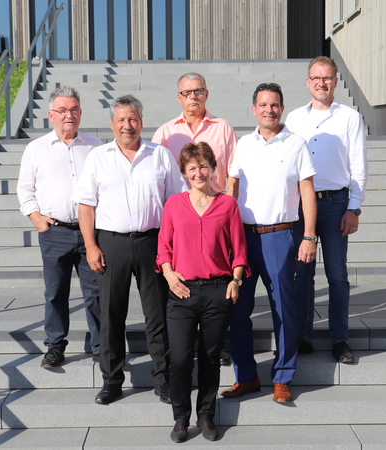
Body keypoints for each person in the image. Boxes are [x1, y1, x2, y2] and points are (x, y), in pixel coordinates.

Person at [74, 95, 186, 405]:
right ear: (112, 124)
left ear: (141, 121)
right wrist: (91, 246)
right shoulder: (98, 157)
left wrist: (173, 248)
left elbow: (177, 204)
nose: (128, 125)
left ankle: (162, 379)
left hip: (153, 242)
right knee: (111, 314)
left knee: (158, 315)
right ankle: (112, 380)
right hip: (111, 243)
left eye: (133, 119)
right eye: (121, 120)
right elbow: (86, 206)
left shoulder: (160, 155)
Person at [224, 83, 317, 403]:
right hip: (244, 238)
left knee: (284, 310)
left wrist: (308, 236)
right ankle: (246, 377)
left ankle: (282, 377)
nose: (269, 110)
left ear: (282, 108)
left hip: (281, 236)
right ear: (254, 109)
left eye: (275, 105)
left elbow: (307, 192)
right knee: (237, 310)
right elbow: (231, 187)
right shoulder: (243, 144)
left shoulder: (296, 144)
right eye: (263, 105)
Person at [157, 142, 248, 443]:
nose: (198, 172)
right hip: (181, 292)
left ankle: (206, 415)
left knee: (209, 357)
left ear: (213, 169)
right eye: (192, 168)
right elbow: (163, 249)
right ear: (184, 172)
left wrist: (235, 281)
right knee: (181, 359)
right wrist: (169, 274)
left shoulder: (228, 205)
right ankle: (181, 417)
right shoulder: (173, 204)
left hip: (217, 292)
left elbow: (239, 250)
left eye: (203, 166)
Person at [285, 56, 368, 364]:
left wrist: (354, 208)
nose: (322, 82)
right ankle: (303, 336)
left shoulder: (349, 117)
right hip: (301, 206)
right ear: (308, 82)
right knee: (302, 274)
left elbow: (358, 164)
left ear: (335, 81)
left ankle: (339, 339)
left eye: (328, 78)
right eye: (316, 78)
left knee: (337, 275)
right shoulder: (293, 118)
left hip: (335, 205)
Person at [152, 71, 239, 367]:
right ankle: (182, 348)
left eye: (198, 91)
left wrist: (227, 210)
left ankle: (216, 343)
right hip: (178, 221)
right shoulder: (165, 133)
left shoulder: (223, 127)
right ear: (179, 97)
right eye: (187, 93)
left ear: (206, 93)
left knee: (218, 285)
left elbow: (232, 174)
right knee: (180, 290)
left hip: (215, 216)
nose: (193, 97)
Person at [16, 86, 102, 368]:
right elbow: (24, 189)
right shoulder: (36, 149)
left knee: (96, 292)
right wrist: (35, 217)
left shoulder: (95, 146)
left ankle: (102, 346)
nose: (69, 115)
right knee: (55, 293)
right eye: (63, 110)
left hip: (91, 233)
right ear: (51, 115)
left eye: (74, 109)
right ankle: (55, 346)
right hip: (56, 233)